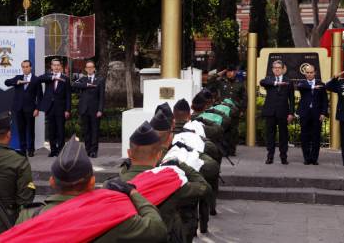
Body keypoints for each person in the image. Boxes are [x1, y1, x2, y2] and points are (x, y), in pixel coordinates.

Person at [16, 135, 167, 242]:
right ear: (92, 182)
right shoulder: (112, 216)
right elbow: (157, 229)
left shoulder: (29, 216)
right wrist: (132, 192)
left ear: (51, 182)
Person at [120, 121, 211, 243]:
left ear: (129, 153)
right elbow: (205, 188)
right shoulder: (170, 183)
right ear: (159, 155)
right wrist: (181, 165)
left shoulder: (114, 183)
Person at [5, 60, 43, 157]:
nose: (25, 69)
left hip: (30, 109)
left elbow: (40, 96)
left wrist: (37, 109)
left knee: (30, 130)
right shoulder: (18, 77)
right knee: (21, 130)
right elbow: (6, 82)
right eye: (23, 67)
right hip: (18, 108)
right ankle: (23, 149)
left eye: (27, 66)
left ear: (31, 67)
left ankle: (31, 150)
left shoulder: (36, 79)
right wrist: (17, 82)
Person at [260, 60, 295, 165]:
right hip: (270, 112)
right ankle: (270, 156)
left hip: (283, 112)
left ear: (283, 69)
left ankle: (283, 157)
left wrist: (291, 113)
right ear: (272, 69)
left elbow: (292, 99)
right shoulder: (269, 79)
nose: (277, 69)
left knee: (283, 135)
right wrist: (276, 83)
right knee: (270, 135)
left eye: (279, 67)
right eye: (275, 67)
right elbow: (262, 82)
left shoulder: (288, 81)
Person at [208, 64, 247, 155]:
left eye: (232, 71)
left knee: (233, 131)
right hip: (222, 111)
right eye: (228, 72)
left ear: (235, 72)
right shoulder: (221, 82)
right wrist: (221, 73)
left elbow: (244, 98)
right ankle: (223, 150)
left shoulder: (240, 84)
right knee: (222, 130)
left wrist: (242, 110)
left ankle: (231, 150)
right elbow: (210, 81)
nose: (230, 74)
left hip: (234, 111)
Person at [38, 58, 71, 157]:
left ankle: (61, 151)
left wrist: (67, 109)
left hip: (61, 108)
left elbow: (68, 95)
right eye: (54, 65)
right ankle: (53, 150)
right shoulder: (48, 77)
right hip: (50, 108)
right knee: (51, 131)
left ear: (60, 67)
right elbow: (39, 79)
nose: (56, 67)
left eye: (58, 65)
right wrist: (53, 78)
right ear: (51, 67)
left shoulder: (65, 78)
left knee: (60, 130)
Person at [72, 60, 105, 158]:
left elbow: (102, 96)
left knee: (94, 131)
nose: (90, 69)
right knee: (86, 131)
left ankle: (94, 151)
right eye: (88, 67)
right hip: (84, 109)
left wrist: (100, 110)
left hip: (95, 110)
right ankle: (87, 150)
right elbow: (74, 84)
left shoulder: (100, 80)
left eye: (91, 67)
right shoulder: (83, 79)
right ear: (86, 69)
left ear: (94, 68)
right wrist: (86, 85)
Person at [296, 65, 328, 165]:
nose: (309, 74)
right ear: (305, 73)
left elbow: (325, 101)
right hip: (305, 114)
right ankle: (307, 158)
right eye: (307, 72)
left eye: (311, 72)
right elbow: (299, 87)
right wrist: (313, 87)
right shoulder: (302, 83)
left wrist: (323, 113)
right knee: (304, 136)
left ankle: (314, 159)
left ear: (315, 73)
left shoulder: (321, 84)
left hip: (317, 114)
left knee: (316, 137)